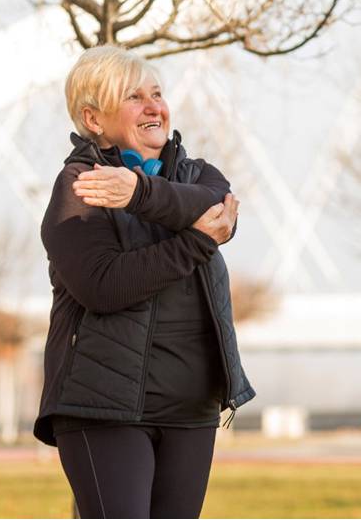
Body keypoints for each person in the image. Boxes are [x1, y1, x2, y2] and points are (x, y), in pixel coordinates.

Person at [34, 45, 255, 518]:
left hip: (190, 407)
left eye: (156, 93)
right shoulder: (80, 186)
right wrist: (194, 241)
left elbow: (221, 213)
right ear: (94, 118)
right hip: (103, 408)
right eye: (134, 97)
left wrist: (137, 193)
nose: (154, 106)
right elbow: (103, 287)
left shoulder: (200, 175)